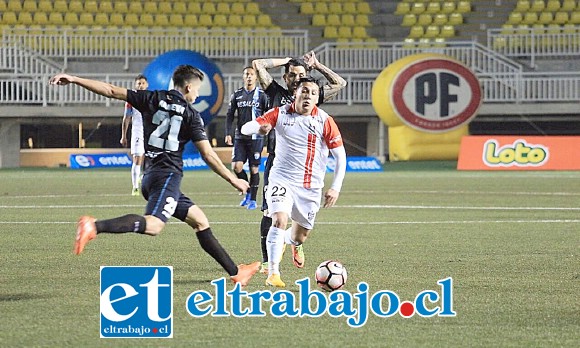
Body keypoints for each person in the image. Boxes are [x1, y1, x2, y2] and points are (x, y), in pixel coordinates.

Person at [49, 65, 260, 286]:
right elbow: (207, 154)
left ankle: (236, 272)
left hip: (151, 176)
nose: (197, 95)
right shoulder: (191, 115)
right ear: (188, 87)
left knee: (199, 221)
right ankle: (94, 226)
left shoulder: (152, 97)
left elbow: (110, 90)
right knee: (154, 225)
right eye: (197, 90)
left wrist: (74, 78)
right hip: (167, 176)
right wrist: (233, 179)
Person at [241, 77, 347, 287]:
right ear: (296, 94)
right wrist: (258, 129)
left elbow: (340, 157)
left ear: (317, 98)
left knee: (300, 237)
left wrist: (335, 187)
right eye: (304, 91)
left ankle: (288, 242)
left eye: (313, 93)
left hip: (310, 187)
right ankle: (273, 273)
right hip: (282, 179)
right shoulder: (280, 113)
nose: (308, 96)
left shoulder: (325, 120)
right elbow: (246, 128)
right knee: (279, 219)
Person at [225, 66, 269, 210]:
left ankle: (252, 200)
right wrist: (228, 133)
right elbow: (230, 115)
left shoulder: (261, 95)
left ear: (256, 77)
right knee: (236, 166)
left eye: (251, 74)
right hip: (240, 136)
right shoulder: (237, 95)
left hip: (256, 137)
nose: (249, 77)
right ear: (243, 77)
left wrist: (266, 130)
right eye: (246, 74)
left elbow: (268, 115)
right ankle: (248, 191)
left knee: (254, 168)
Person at [120, 74, 148, 196]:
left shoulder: (151, 98)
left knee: (151, 157)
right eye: (138, 83)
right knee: (137, 158)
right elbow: (126, 118)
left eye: (142, 83)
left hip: (150, 131)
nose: (140, 85)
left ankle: (144, 176)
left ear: (147, 85)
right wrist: (123, 135)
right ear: (135, 85)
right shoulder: (131, 100)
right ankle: (135, 187)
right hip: (137, 131)